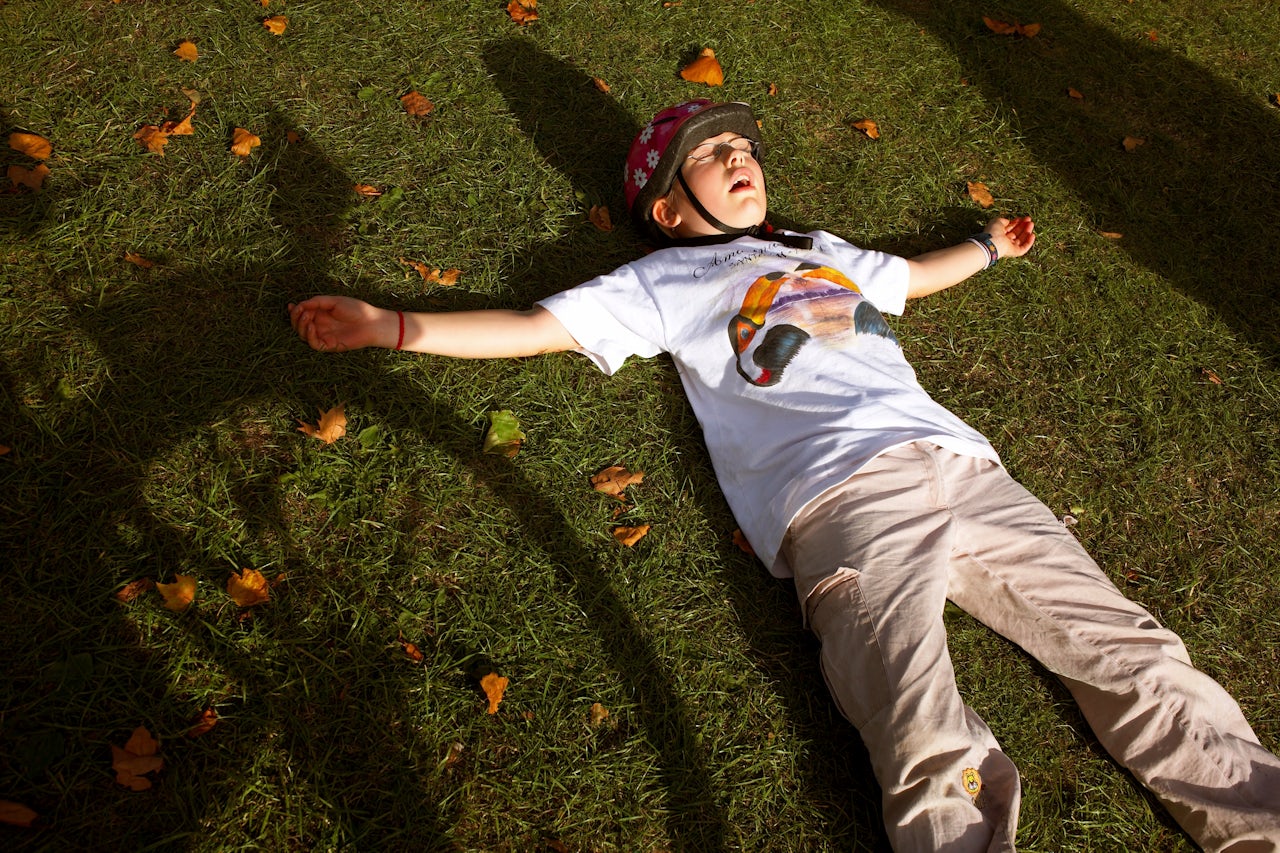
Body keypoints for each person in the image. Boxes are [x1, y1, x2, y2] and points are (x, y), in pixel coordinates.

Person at [290, 100, 1280, 851]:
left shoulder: (821, 250)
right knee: (915, 720)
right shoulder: (667, 282)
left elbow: (904, 275)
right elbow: (537, 328)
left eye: (744, 148)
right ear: (666, 209)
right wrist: (393, 325)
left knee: (1136, 653)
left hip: (965, 470)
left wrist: (980, 248)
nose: (739, 159)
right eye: (711, 158)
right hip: (839, 502)